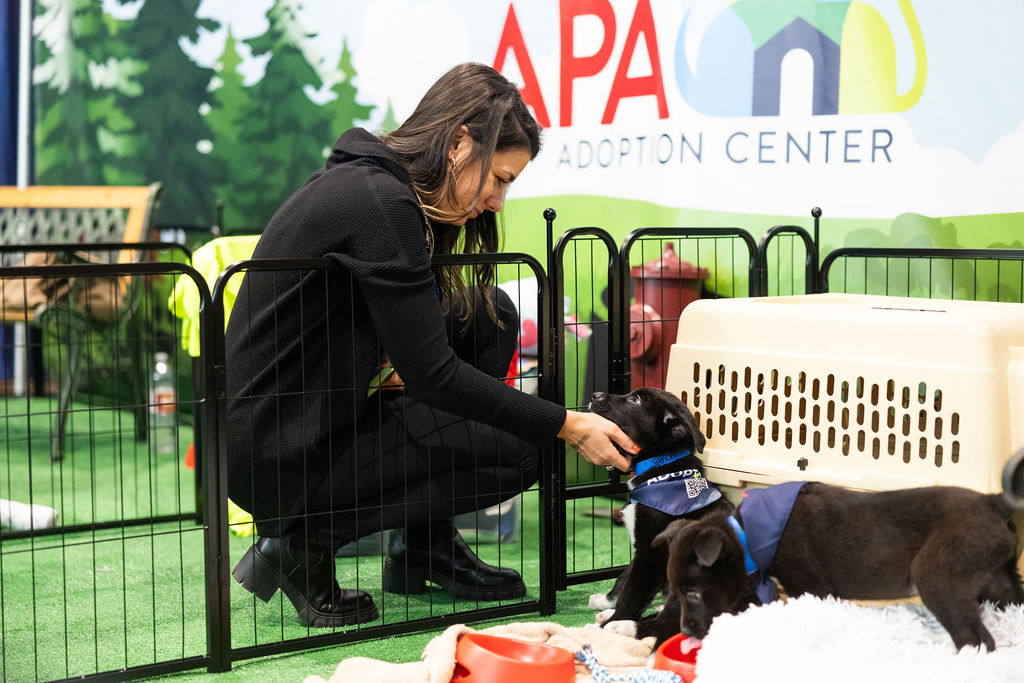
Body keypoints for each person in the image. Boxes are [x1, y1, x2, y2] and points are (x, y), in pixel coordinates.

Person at [225, 62, 638, 628]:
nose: (497, 201)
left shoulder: (386, 189)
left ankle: (422, 545)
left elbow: (401, 339)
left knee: (491, 317)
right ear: (459, 144)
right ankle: (305, 542)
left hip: (312, 411)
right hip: (282, 451)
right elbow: (434, 376)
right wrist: (567, 423)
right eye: (500, 179)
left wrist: (385, 358)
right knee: (528, 447)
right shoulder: (378, 201)